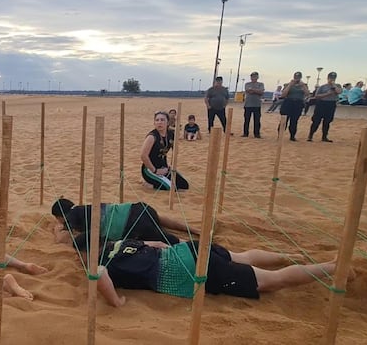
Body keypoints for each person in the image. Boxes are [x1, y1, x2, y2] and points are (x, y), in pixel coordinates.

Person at [79, 238, 346, 306]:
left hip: (189, 269)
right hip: (189, 251)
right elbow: (160, 243)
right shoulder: (121, 243)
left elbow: (100, 273)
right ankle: (290, 256)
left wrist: (116, 301)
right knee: (242, 256)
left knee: (271, 282)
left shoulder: (102, 263)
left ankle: (336, 267)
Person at [50, 198, 199, 246]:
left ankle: (192, 243)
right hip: (138, 208)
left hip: (131, 225)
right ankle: (194, 230)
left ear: (60, 216)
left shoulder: (71, 216)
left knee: (169, 239)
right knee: (158, 219)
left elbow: (61, 240)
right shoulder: (85, 208)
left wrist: (57, 229)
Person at [140, 112, 189, 191]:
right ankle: (147, 184)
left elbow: (175, 151)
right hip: (150, 169)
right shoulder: (152, 137)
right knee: (171, 188)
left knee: (184, 185)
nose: (159, 122)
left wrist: (171, 166)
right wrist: (155, 170)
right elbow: (143, 156)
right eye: (157, 120)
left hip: (164, 167)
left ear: (167, 122)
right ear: (154, 123)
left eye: (162, 120)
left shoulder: (171, 134)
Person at [307, 72, 342, 143]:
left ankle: (324, 136)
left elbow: (339, 92)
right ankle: (310, 135)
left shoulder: (337, 86)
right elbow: (317, 96)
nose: (332, 79)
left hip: (331, 104)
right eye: (331, 78)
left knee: (327, 121)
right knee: (316, 121)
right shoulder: (322, 87)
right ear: (328, 78)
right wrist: (327, 94)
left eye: (333, 78)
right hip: (322, 104)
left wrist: (334, 86)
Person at [280, 72, 310, 141]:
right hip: (288, 102)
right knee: (284, 120)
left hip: (298, 103)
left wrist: (303, 86)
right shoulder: (288, 84)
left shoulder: (303, 85)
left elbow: (307, 94)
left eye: (298, 77)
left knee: (294, 121)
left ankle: (292, 136)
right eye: (296, 77)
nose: (297, 79)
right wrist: (290, 85)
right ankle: (280, 135)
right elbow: (283, 95)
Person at [242, 71, 265, 138]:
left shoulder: (261, 84)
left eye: (255, 76)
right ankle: (245, 133)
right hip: (248, 105)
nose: (253, 77)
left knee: (257, 120)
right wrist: (257, 91)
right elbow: (247, 90)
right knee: (246, 120)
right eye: (252, 76)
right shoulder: (247, 84)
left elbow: (261, 92)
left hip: (257, 105)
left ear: (257, 77)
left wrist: (253, 90)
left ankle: (257, 134)